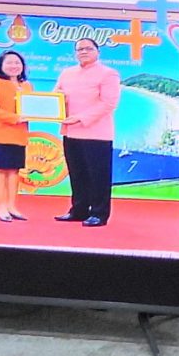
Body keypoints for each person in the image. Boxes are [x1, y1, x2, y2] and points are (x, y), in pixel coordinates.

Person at [54, 39, 121, 228]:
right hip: (70, 132)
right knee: (77, 174)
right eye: (79, 49)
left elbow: (108, 103)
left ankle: (99, 214)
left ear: (98, 52)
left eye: (88, 48)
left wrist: (80, 118)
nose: (83, 52)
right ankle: (78, 210)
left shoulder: (108, 74)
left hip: (96, 134)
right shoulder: (67, 73)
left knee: (98, 176)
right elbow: (55, 96)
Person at [0, 50, 35, 224]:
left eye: (17, 63)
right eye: (9, 62)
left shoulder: (27, 85)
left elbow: (32, 107)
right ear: (1, 65)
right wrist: (14, 118)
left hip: (18, 134)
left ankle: (12, 206)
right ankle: (1, 207)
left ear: (23, 66)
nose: (14, 66)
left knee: (14, 170)